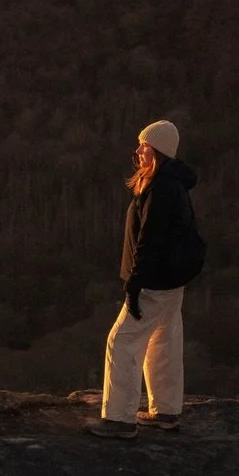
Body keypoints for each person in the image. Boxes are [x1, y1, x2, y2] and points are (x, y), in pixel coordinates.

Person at [86, 119, 206, 440]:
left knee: (122, 341)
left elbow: (149, 239)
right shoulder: (172, 183)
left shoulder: (161, 188)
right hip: (171, 281)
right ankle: (165, 412)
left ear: (159, 152)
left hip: (153, 283)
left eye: (145, 146)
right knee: (163, 343)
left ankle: (119, 420)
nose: (138, 151)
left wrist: (135, 283)